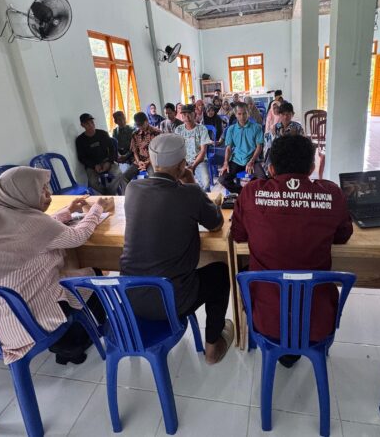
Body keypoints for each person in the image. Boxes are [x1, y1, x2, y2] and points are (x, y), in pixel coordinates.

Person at [0, 167, 114, 365]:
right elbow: (78, 236)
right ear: (22, 194)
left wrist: (67, 211)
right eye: (41, 189)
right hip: (26, 323)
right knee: (92, 276)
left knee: (65, 276)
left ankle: (73, 339)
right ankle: (80, 341)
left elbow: (32, 231)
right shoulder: (32, 223)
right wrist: (97, 208)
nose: (48, 194)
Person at [231, 135, 353, 367]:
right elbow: (343, 235)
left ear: (271, 168)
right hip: (317, 320)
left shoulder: (251, 193)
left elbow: (238, 235)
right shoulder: (332, 193)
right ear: (312, 168)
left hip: (267, 319)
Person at [120, 134, 234, 365]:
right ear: (182, 165)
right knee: (220, 273)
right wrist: (191, 182)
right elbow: (215, 223)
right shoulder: (189, 194)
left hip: (130, 299)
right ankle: (213, 347)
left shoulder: (133, 188)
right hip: (172, 301)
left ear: (152, 162)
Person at [218, 103, 266, 194]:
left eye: (244, 113)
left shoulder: (257, 127)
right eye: (239, 114)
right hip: (236, 160)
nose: (242, 116)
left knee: (263, 179)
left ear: (248, 113)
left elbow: (259, 147)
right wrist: (225, 162)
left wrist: (252, 161)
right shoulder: (231, 129)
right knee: (222, 179)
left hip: (252, 159)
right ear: (235, 115)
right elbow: (228, 148)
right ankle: (243, 193)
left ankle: (251, 191)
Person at [75, 113, 124, 195]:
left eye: (92, 122)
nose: (91, 125)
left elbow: (112, 149)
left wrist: (109, 162)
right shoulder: (80, 140)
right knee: (93, 182)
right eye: (87, 124)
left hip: (106, 161)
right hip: (92, 166)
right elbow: (81, 157)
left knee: (118, 173)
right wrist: (94, 165)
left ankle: (109, 194)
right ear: (82, 125)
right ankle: (107, 194)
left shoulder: (103, 134)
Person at [175, 104, 212, 192]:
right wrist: (183, 164)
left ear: (194, 114)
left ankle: (203, 198)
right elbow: (177, 149)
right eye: (184, 114)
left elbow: (203, 151)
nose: (187, 117)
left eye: (189, 113)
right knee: (178, 183)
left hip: (199, 161)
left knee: (206, 182)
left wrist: (193, 166)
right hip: (183, 161)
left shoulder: (202, 129)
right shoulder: (178, 130)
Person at [264, 101, 304, 171]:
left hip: (293, 155)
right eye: (283, 114)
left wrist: (294, 138)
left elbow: (302, 145)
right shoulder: (275, 128)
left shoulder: (298, 127)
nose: (285, 117)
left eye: (288, 114)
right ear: (279, 115)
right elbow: (271, 145)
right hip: (279, 156)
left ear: (292, 114)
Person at [130, 112, 161, 177]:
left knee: (153, 177)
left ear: (147, 121)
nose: (140, 127)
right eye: (138, 125)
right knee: (124, 177)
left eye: (142, 124)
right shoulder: (135, 134)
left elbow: (158, 152)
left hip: (152, 161)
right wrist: (139, 162)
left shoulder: (156, 133)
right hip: (139, 162)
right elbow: (135, 151)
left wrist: (147, 162)